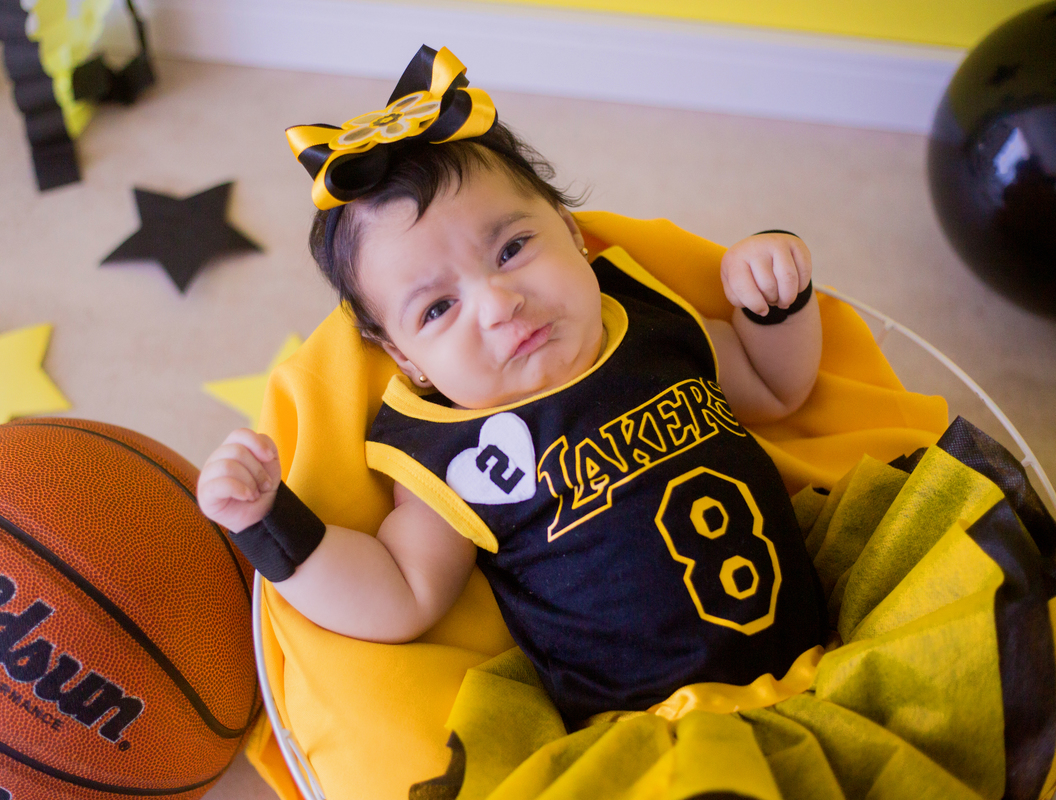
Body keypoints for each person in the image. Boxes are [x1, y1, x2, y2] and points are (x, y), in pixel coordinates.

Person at [197, 45, 829, 726]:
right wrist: (270, 526)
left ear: (570, 231)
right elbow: (400, 594)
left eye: (511, 249)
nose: (499, 304)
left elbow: (775, 387)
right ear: (406, 359)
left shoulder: (647, 317)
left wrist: (773, 298)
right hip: (654, 731)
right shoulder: (448, 446)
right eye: (437, 309)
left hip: (830, 660)